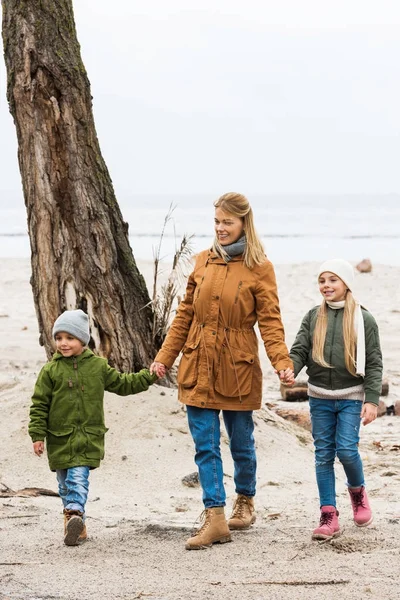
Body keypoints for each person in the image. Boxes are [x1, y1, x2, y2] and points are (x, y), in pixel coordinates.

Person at [150, 192, 294, 550]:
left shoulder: (261, 267)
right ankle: (214, 517)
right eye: (216, 221)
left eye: (227, 222)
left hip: (237, 368)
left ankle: (244, 500)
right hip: (198, 363)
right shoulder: (202, 262)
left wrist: (282, 363)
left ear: (244, 223)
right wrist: (165, 356)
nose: (220, 228)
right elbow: (185, 314)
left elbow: (271, 323)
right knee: (205, 444)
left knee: (242, 444)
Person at [28, 309, 157, 546]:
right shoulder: (50, 371)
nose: (63, 343)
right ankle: (77, 526)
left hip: (87, 437)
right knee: (64, 485)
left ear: (83, 340)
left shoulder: (98, 367)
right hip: (59, 439)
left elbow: (123, 384)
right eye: (59, 338)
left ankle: (75, 513)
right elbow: (39, 405)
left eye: (69, 338)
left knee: (78, 478)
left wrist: (148, 377)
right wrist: (37, 435)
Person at [289, 259, 383, 540]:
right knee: (323, 455)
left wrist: (372, 400)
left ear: (346, 284)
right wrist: (289, 370)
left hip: (351, 396)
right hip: (319, 396)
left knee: (346, 450)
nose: (326, 286)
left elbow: (374, 362)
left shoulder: (363, 319)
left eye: (333, 280)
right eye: (322, 280)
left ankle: (357, 492)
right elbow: (300, 351)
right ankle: (328, 514)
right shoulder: (313, 316)